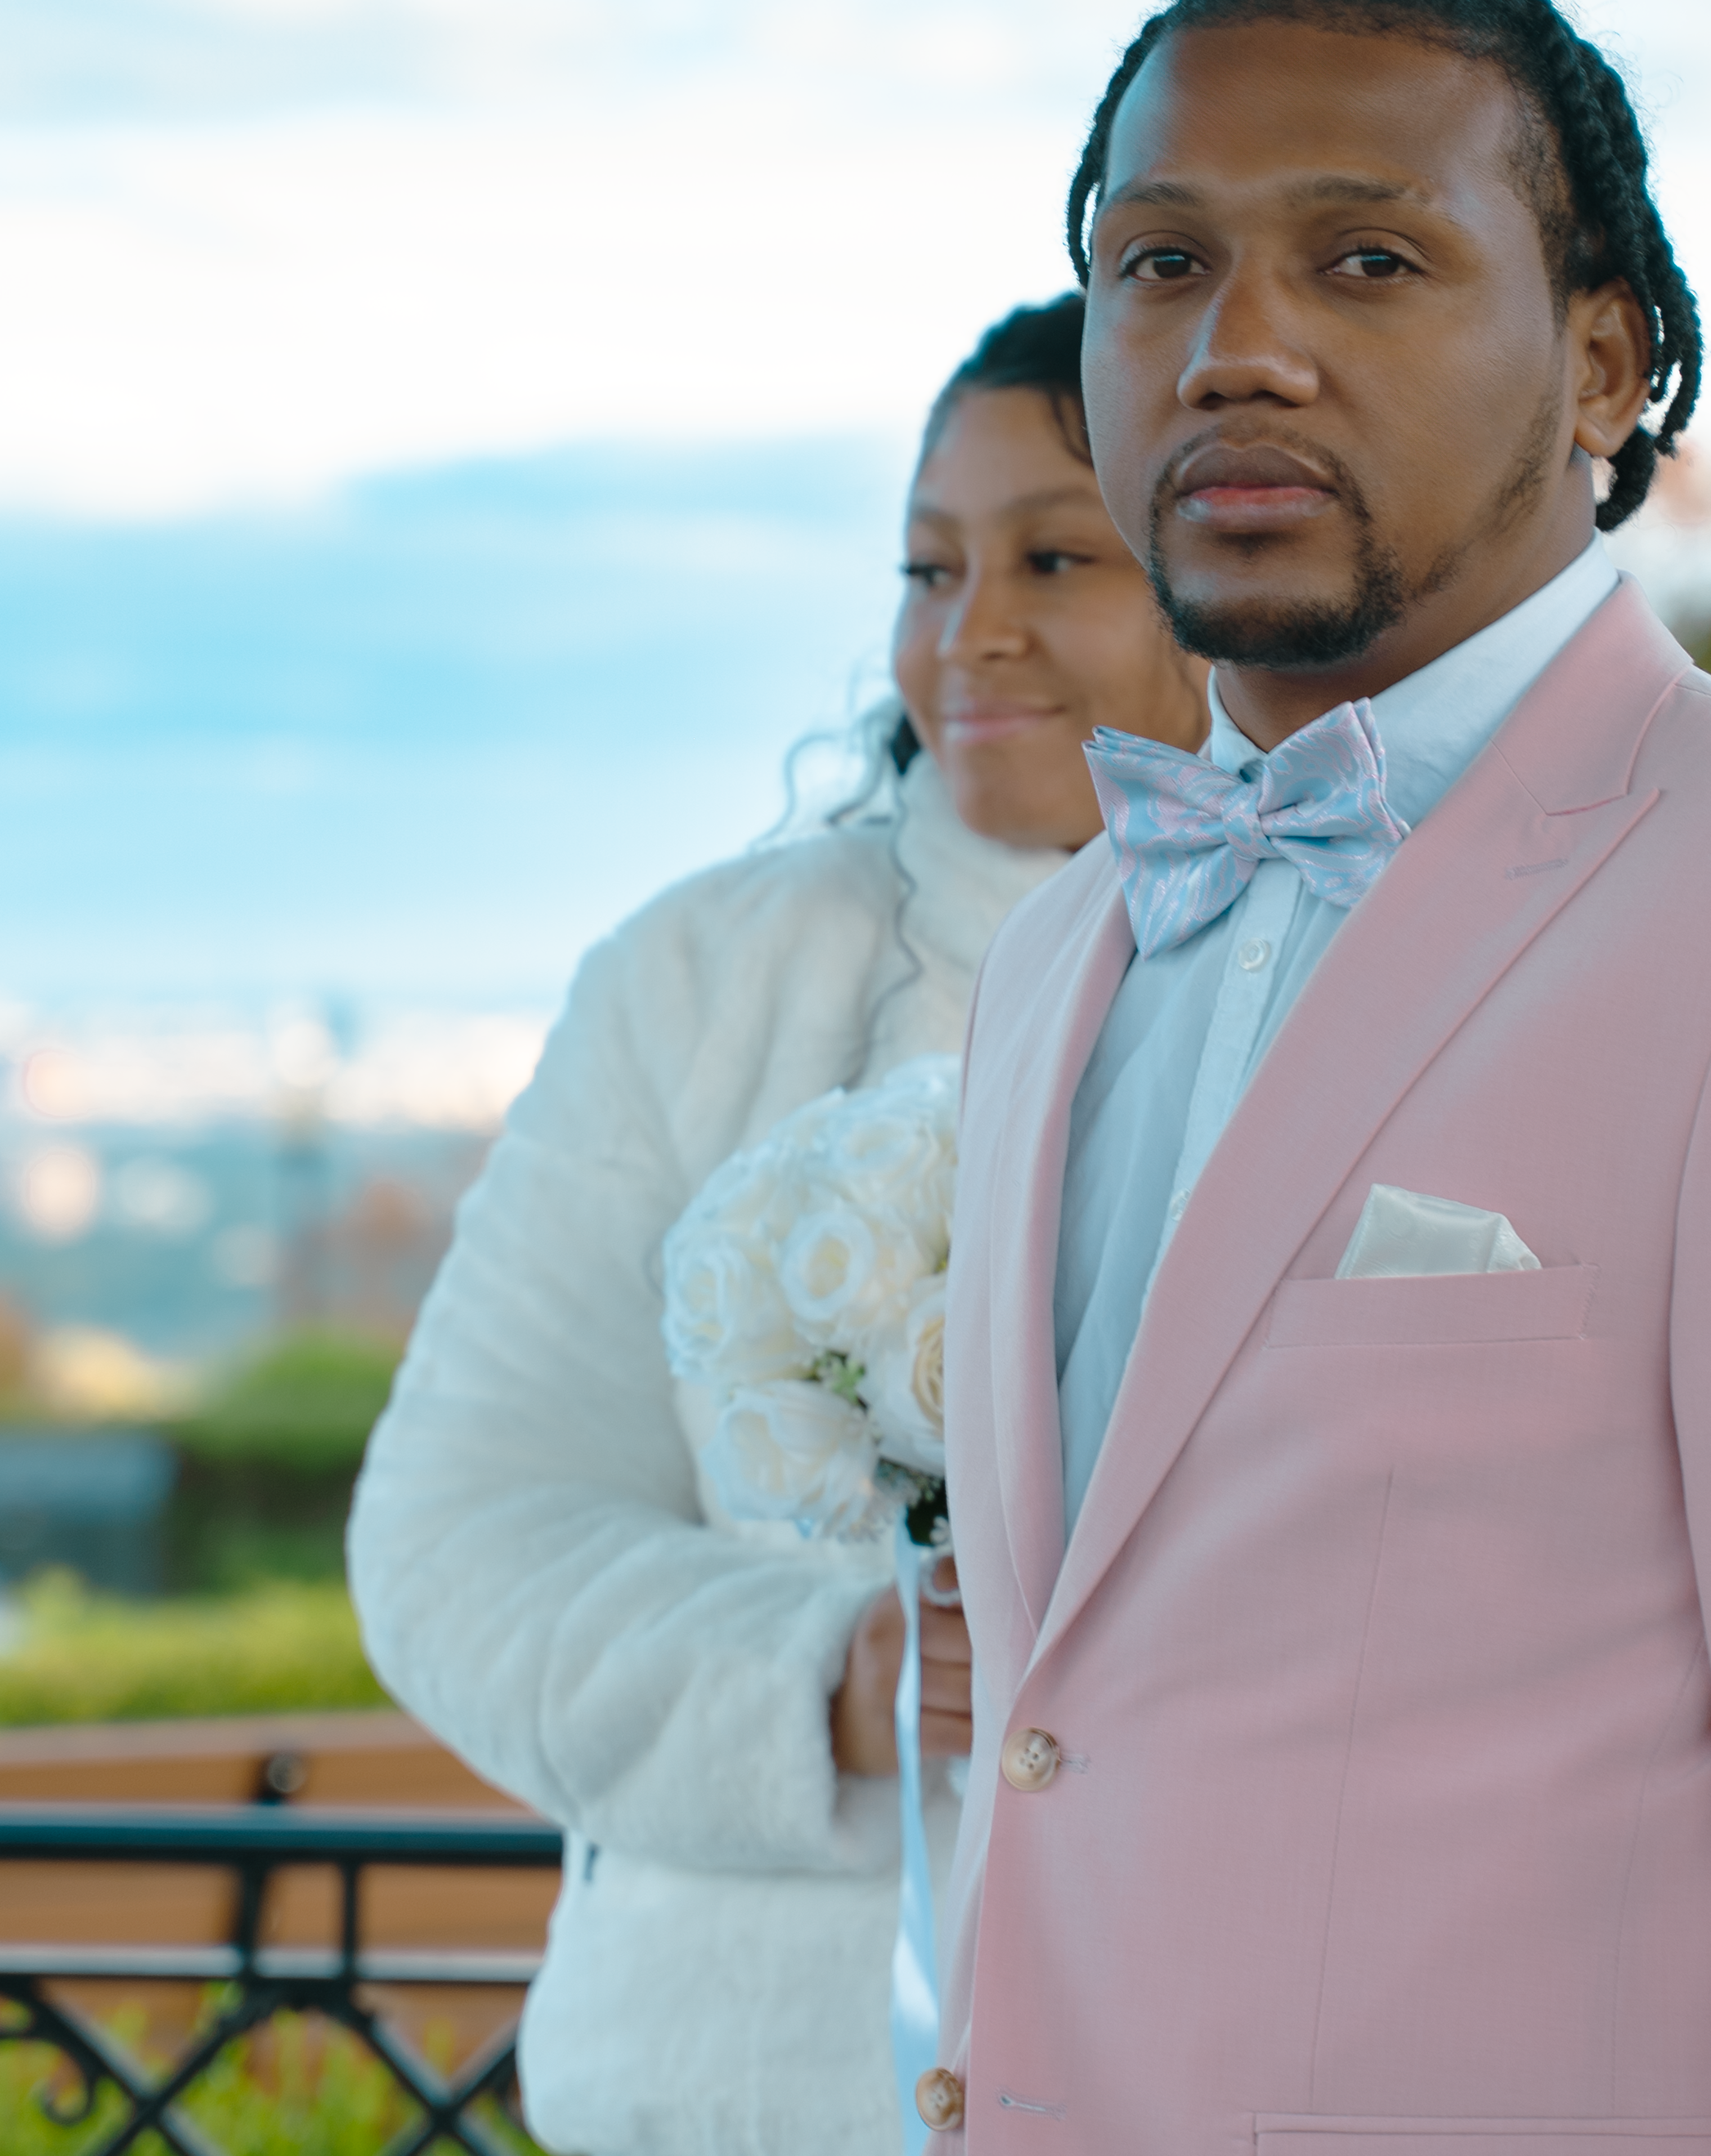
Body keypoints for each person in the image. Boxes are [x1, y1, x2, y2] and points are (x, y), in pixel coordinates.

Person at [926, 0, 1711, 2153]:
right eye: (1159, 264)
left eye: (1367, 256)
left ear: (1601, 362)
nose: (1237, 344)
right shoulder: (1061, 949)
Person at [347, 293, 1207, 2156]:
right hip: (746, 2086)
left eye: (1055, 555)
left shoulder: (1406, 973)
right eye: (925, 565)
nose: (967, 631)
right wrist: (834, 1679)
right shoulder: (702, 977)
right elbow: (453, 1535)